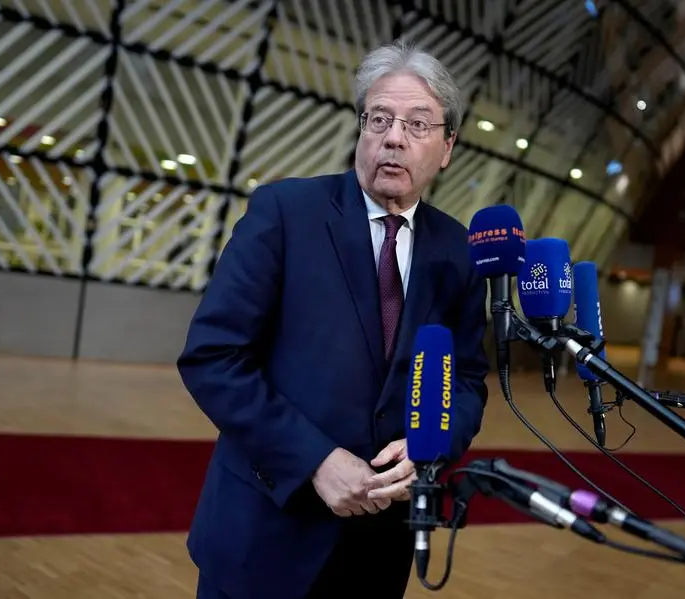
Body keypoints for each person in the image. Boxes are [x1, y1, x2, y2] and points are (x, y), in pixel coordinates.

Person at [177, 39, 490, 599]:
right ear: (361, 129)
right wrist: (315, 460)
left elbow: (465, 380)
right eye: (380, 118)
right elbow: (213, 357)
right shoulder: (284, 213)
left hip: (378, 548)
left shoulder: (459, 251)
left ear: (447, 146)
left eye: (418, 124)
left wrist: (431, 444)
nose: (394, 136)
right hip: (266, 533)